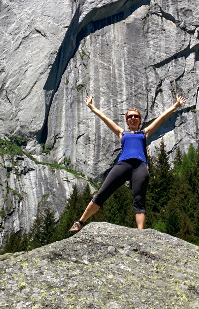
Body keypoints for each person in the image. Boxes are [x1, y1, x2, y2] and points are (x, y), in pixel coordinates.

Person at [69, 93, 186, 233]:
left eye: (136, 116)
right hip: (122, 165)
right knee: (102, 193)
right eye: (130, 116)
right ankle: (79, 222)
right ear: (127, 121)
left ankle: (140, 233)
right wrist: (91, 106)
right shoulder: (122, 133)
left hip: (140, 167)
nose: (133, 118)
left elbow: (161, 118)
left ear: (140, 119)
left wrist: (176, 105)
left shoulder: (144, 133)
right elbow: (105, 118)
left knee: (139, 199)